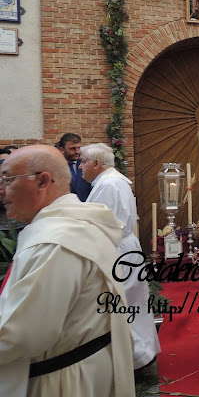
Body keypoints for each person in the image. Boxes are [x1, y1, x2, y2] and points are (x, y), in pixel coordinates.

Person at [0, 145, 135, 396]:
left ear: (43, 181)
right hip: (86, 365)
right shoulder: (78, 223)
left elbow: (21, 335)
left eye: (7, 179)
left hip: (63, 381)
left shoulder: (54, 243)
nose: (1, 189)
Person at [79, 143, 161, 375]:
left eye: (83, 162)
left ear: (97, 164)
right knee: (129, 305)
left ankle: (134, 359)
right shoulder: (111, 181)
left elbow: (104, 225)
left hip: (115, 250)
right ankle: (139, 356)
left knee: (119, 306)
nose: (80, 167)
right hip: (122, 248)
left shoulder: (109, 184)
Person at [58, 133, 92, 201]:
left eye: (79, 148)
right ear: (62, 150)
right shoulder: (55, 167)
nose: (77, 152)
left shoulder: (86, 164)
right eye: (73, 148)